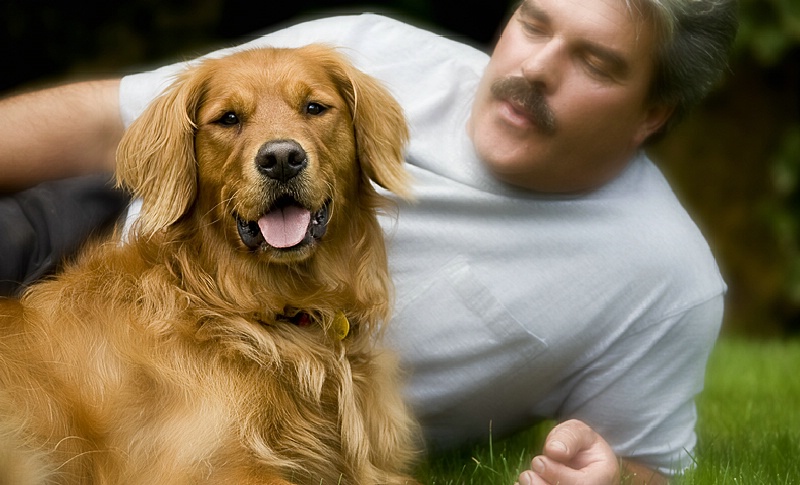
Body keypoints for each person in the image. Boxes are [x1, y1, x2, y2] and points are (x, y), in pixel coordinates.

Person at [0, 0, 738, 483]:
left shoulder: (664, 276)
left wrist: (611, 476)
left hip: (307, 331)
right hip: (92, 231)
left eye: (595, 62)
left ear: (652, 115)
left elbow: (645, 464)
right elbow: (102, 121)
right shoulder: (379, 46)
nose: (533, 69)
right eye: (535, 24)